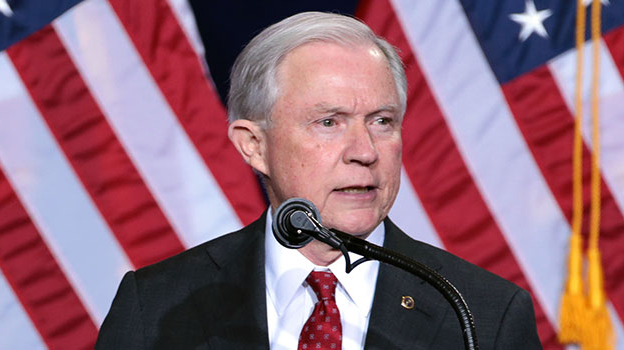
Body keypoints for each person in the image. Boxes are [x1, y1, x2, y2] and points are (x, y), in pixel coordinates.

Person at [96, 12, 542, 350]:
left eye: (382, 121)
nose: (365, 151)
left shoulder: (482, 313)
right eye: (329, 122)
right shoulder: (155, 306)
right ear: (253, 145)